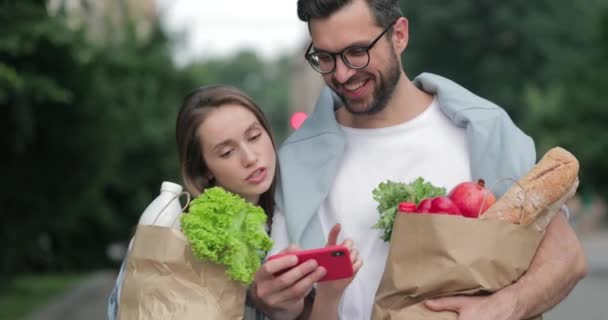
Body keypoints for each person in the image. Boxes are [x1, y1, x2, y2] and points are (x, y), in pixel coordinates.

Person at [249, 0, 588, 319]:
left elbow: (566, 258)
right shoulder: (294, 163)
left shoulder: (482, 131)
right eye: (325, 58)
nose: (340, 74)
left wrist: (502, 307)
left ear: (399, 34)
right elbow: (292, 307)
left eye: (356, 52)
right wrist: (268, 298)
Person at [106, 85, 362, 320]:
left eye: (254, 136)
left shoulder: (292, 219)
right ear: (203, 169)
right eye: (226, 152)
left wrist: (319, 295)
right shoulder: (175, 233)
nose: (250, 157)